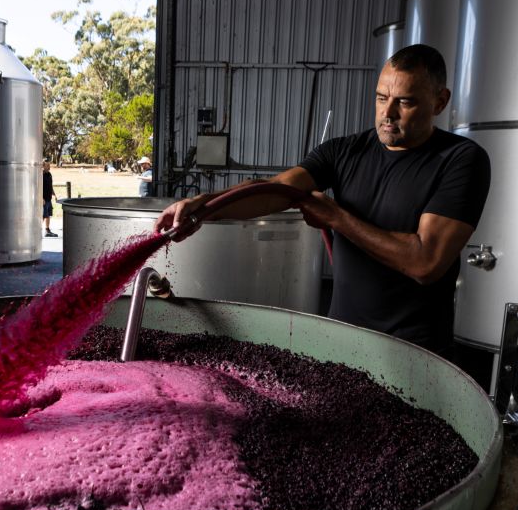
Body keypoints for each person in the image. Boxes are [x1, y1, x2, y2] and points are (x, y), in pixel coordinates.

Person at [155, 45, 490, 357]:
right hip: (341, 339)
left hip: (414, 351)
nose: (388, 113)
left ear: (440, 101)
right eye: (381, 98)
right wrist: (204, 206)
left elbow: (426, 262)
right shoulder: (344, 151)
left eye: (405, 102)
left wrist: (336, 218)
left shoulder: (460, 160)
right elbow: (276, 190)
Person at [42, 159, 57, 237]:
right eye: (47, 165)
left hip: (49, 199)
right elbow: (38, 187)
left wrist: (54, 194)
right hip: (43, 200)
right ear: (43, 166)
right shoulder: (41, 175)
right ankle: (35, 231)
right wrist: (41, 198)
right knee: (42, 216)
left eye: (49, 165)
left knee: (48, 215)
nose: (49, 167)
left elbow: (50, 186)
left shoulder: (49, 174)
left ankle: (47, 231)